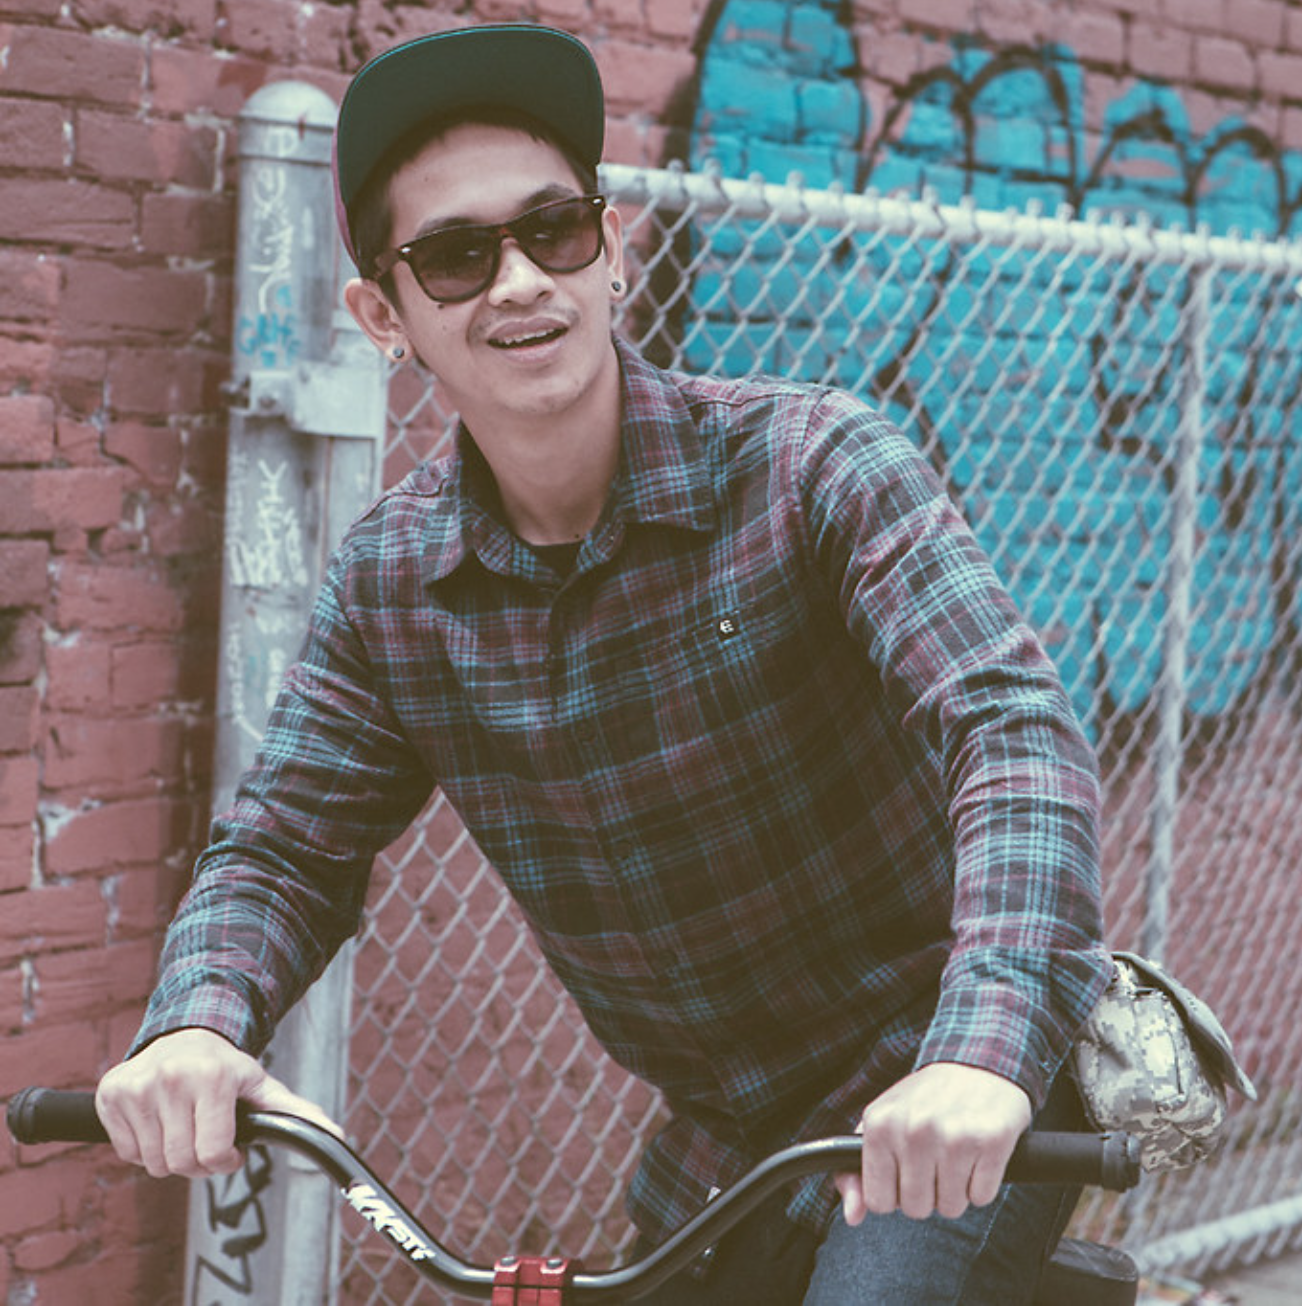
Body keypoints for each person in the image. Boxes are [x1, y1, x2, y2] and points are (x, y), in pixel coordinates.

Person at [96, 23, 1113, 1304]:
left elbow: (1008, 725)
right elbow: (284, 847)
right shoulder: (396, 584)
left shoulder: (813, 465)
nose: (520, 280)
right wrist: (196, 1020)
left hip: (944, 1070)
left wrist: (980, 1053)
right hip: (726, 1140)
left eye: (555, 229)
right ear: (383, 316)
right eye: (457, 256)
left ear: (615, 248)